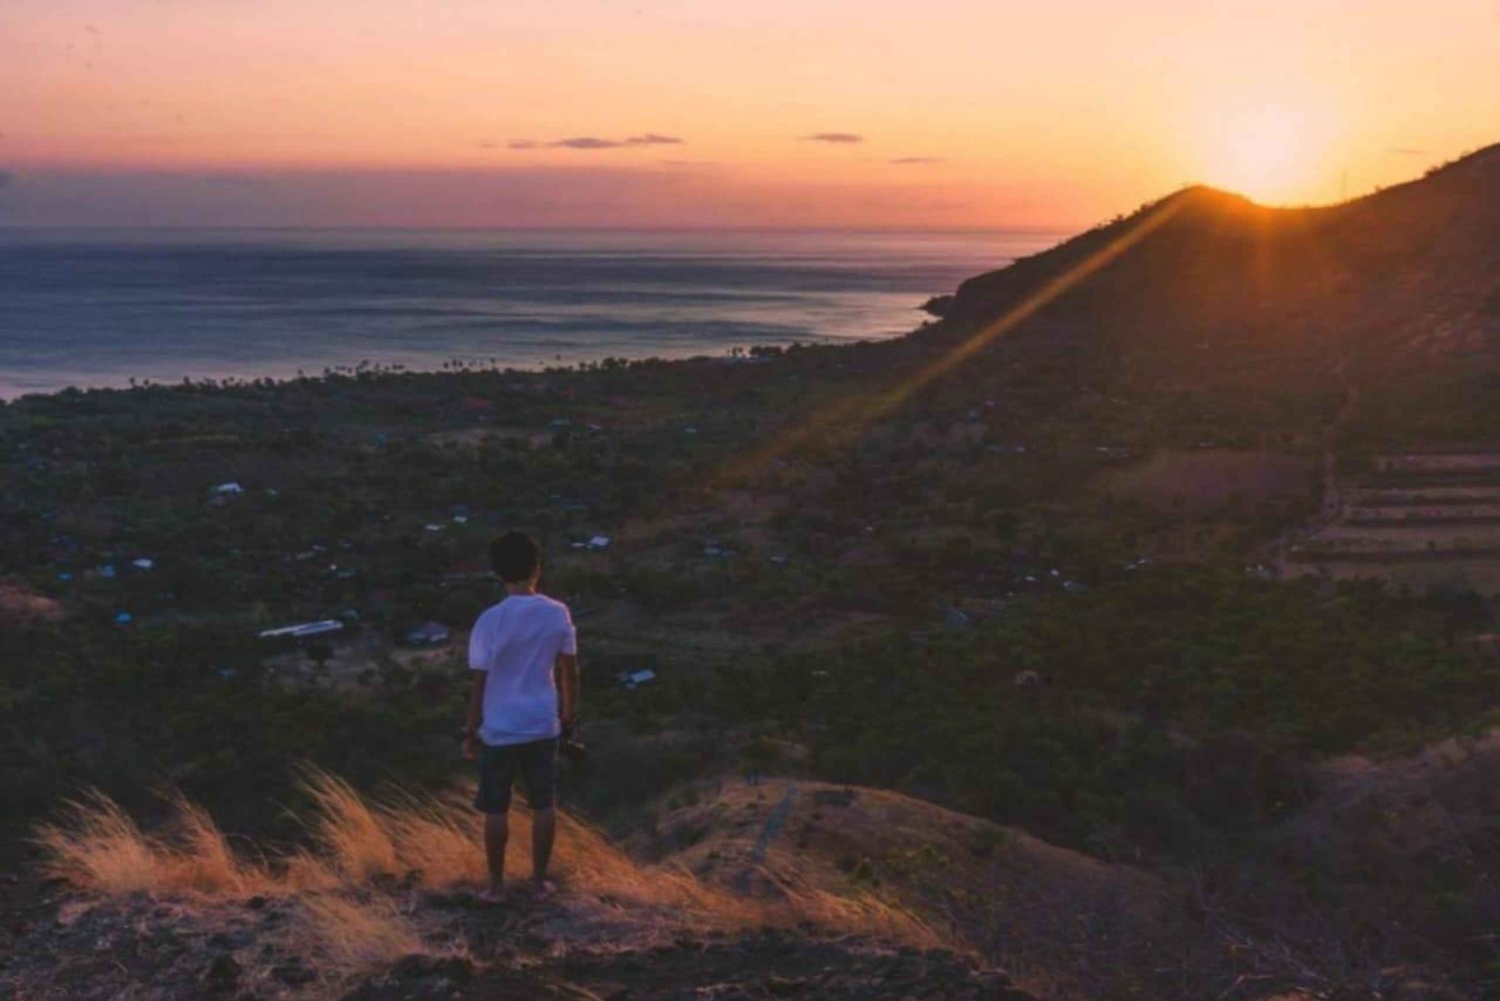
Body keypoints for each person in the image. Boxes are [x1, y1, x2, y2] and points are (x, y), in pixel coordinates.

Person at [463, 532, 580, 904]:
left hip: (499, 726)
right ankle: (538, 883)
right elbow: (570, 671)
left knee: (496, 807)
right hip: (542, 722)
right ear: (537, 568)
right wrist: (567, 717)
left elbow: (480, 683)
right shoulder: (557, 612)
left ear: (498, 574)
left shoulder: (489, 620)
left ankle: (495, 887)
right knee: (543, 803)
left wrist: (470, 731)